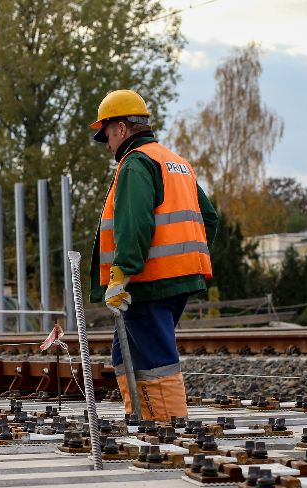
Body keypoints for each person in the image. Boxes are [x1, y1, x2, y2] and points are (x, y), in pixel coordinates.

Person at [89, 89, 219, 422]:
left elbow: (135, 224)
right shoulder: (176, 162)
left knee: (154, 355)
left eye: (106, 134)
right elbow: (209, 217)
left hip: (148, 279)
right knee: (126, 350)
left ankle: (170, 428)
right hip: (180, 277)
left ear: (120, 128)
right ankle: (143, 419)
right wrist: (187, 258)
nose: (107, 144)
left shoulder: (136, 163)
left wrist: (121, 273)